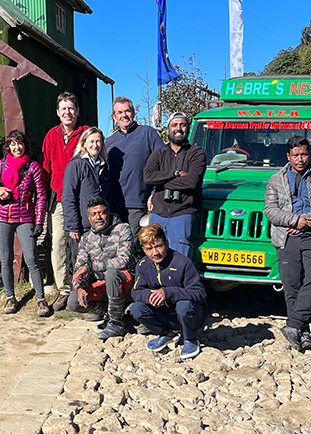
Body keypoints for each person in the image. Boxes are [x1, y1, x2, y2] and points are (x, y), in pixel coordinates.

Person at [264, 135, 311, 351]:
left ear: (309, 154)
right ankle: (302, 331)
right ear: (288, 156)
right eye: (295, 155)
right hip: (286, 236)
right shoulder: (276, 180)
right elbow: (270, 210)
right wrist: (295, 220)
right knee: (291, 284)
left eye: (303, 154)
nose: (300, 158)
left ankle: (293, 324)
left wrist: (307, 221)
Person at [0, 130, 51, 317]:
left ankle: (41, 299)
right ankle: (10, 297)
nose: (17, 147)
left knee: (31, 259)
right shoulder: (2, 164)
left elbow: (41, 196)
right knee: (5, 260)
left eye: (20, 143)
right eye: (13, 144)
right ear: (8, 146)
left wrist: (39, 221)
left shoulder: (33, 167)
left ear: (25, 145)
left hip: (25, 218)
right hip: (1, 218)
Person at [41, 92, 90, 312]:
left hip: (82, 200)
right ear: (58, 113)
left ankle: (81, 287)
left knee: (82, 246)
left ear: (77, 111)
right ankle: (63, 289)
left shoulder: (86, 133)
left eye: (71, 108)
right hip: (59, 200)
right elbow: (44, 170)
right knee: (58, 245)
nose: (67, 112)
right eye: (63, 109)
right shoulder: (51, 136)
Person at [130, 223, 207, 359]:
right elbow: (136, 292)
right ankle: (166, 333)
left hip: (191, 315)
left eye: (159, 246)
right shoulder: (142, 265)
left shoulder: (182, 263)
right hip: (165, 315)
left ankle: (190, 339)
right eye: (149, 249)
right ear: (144, 250)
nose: (155, 252)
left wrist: (167, 293)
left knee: (183, 305)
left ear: (166, 243)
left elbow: (199, 293)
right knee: (136, 308)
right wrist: (150, 297)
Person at [66, 197, 134, 339]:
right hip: (102, 286)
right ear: (89, 217)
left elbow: (123, 261)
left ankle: (116, 323)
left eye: (101, 213)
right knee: (73, 301)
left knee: (111, 273)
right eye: (94, 214)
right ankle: (109, 315)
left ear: (108, 213)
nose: (98, 217)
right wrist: (79, 287)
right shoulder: (85, 238)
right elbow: (79, 268)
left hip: (124, 283)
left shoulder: (123, 229)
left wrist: (91, 267)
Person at [105, 96, 165, 252]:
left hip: (138, 202)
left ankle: (139, 276)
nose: (124, 115)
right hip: (115, 205)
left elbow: (164, 162)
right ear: (114, 117)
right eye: (120, 112)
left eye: (127, 111)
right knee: (117, 247)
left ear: (133, 113)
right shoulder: (109, 143)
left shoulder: (147, 134)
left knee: (134, 245)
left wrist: (155, 192)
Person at [144, 112, 206, 257]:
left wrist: (161, 183)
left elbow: (192, 182)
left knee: (180, 261)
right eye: (174, 125)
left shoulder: (196, 153)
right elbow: (148, 177)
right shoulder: (158, 154)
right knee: (155, 258)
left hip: (183, 214)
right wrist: (175, 174)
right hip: (158, 214)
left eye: (182, 125)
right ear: (168, 129)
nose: (178, 128)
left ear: (188, 129)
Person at [62, 127, 117, 270]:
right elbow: (68, 197)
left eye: (98, 141)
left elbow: (108, 196)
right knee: (80, 264)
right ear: (84, 143)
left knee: (97, 264)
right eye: (91, 141)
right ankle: (78, 292)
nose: (95, 145)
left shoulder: (104, 167)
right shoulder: (76, 165)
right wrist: (73, 225)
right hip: (82, 225)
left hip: (100, 225)